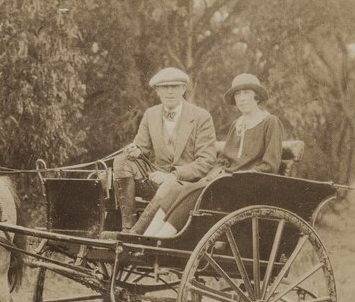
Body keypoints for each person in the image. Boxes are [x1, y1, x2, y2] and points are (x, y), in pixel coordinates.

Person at [132, 72, 283, 237]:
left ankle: (161, 239)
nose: (242, 99)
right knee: (178, 189)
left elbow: (270, 166)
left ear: (257, 97)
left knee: (195, 193)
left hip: (247, 187)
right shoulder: (237, 125)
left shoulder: (270, 122)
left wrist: (235, 177)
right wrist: (210, 177)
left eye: (247, 93)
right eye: (238, 94)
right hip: (224, 182)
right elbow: (223, 160)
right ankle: (147, 238)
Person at [108, 67, 217, 233]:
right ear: (157, 91)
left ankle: (136, 234)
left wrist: (173, 175)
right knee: (121, 161)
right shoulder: (151, 114)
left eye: (175, 87)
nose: (170, 92)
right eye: (165, 88)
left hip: (186, 184)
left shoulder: (201, 117)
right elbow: (141, 148)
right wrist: (135, 150)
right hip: (155, 178)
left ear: (183, 89)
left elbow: (206, 161)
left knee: (169, 184)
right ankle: (126, 226)